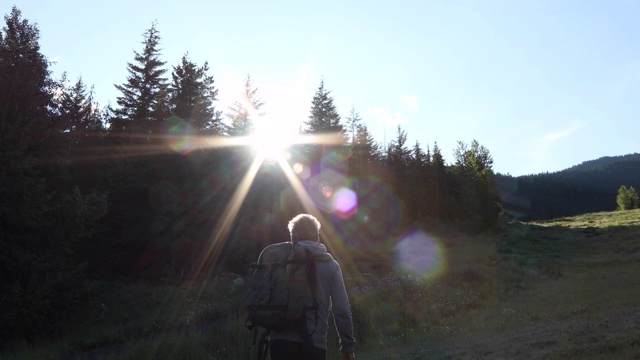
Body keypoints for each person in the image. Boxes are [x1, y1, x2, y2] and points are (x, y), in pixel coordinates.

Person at [268, 214, 356, 360]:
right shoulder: (330, 265)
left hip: (279, 341)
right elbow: (341, 309)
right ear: (317, 238)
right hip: (313, 343)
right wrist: (347, 346)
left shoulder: (280, 260)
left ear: (292, 238)